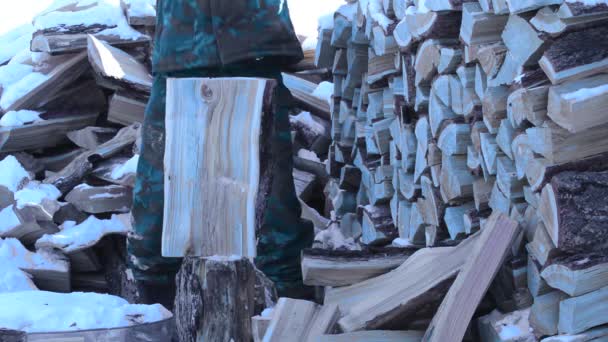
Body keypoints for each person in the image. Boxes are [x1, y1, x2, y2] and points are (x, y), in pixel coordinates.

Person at [127, 0, 314, 306]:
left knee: (270, 192)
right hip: (182, 51)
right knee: (158, 190)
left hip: (252, 49)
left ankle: (291, 308)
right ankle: (154, 304)